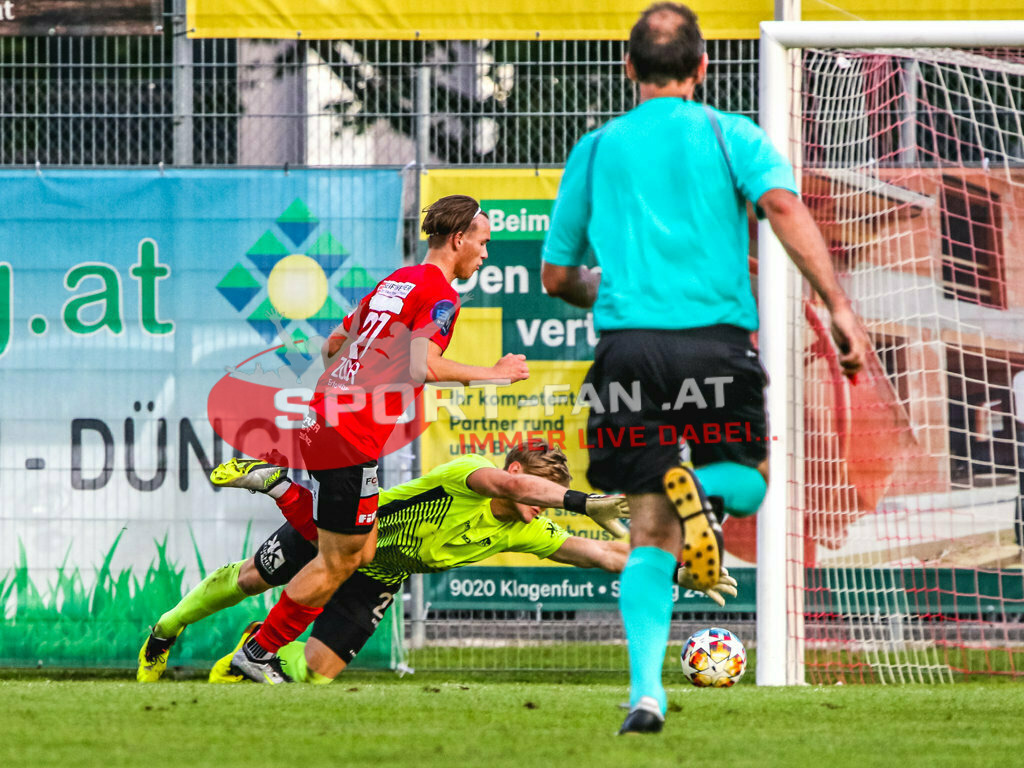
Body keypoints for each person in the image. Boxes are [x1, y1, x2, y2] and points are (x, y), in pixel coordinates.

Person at [540, 3, 869, 734]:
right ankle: (708, 486)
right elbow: (782, 206)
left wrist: (607, 288)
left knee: (650, 530)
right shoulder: (730, 133)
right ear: (702, 68)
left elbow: (557, 277)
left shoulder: (595, 148)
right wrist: (838, 307)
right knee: (747, 488)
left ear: (628, 68)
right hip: (714, 345)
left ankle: (644, 696)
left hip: (628, 352)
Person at [225, 194, 530, 684]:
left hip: (327, 418)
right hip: (349, 434)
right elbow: (422, 365)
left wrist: (345, 389)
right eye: (483, 241)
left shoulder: (397, 280)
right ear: (459, 239)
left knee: (360, 553)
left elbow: (333, 345)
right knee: (337, 559)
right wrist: (493, 374)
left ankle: (280, 492)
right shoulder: (441, 295)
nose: (486, 253)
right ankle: (259, 651)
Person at [137, 444, 722, 683]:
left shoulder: (532, 528)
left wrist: (681, 569)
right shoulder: (469, 476)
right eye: (532, 490)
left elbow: (606, 553)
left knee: (314, 673)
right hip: (345, 536)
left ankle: (244, 663)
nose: (535, 504)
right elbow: (510, 483)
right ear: (514, 475)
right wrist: (583, 502)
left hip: (379, 575)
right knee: (249, 578)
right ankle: (167, 628)